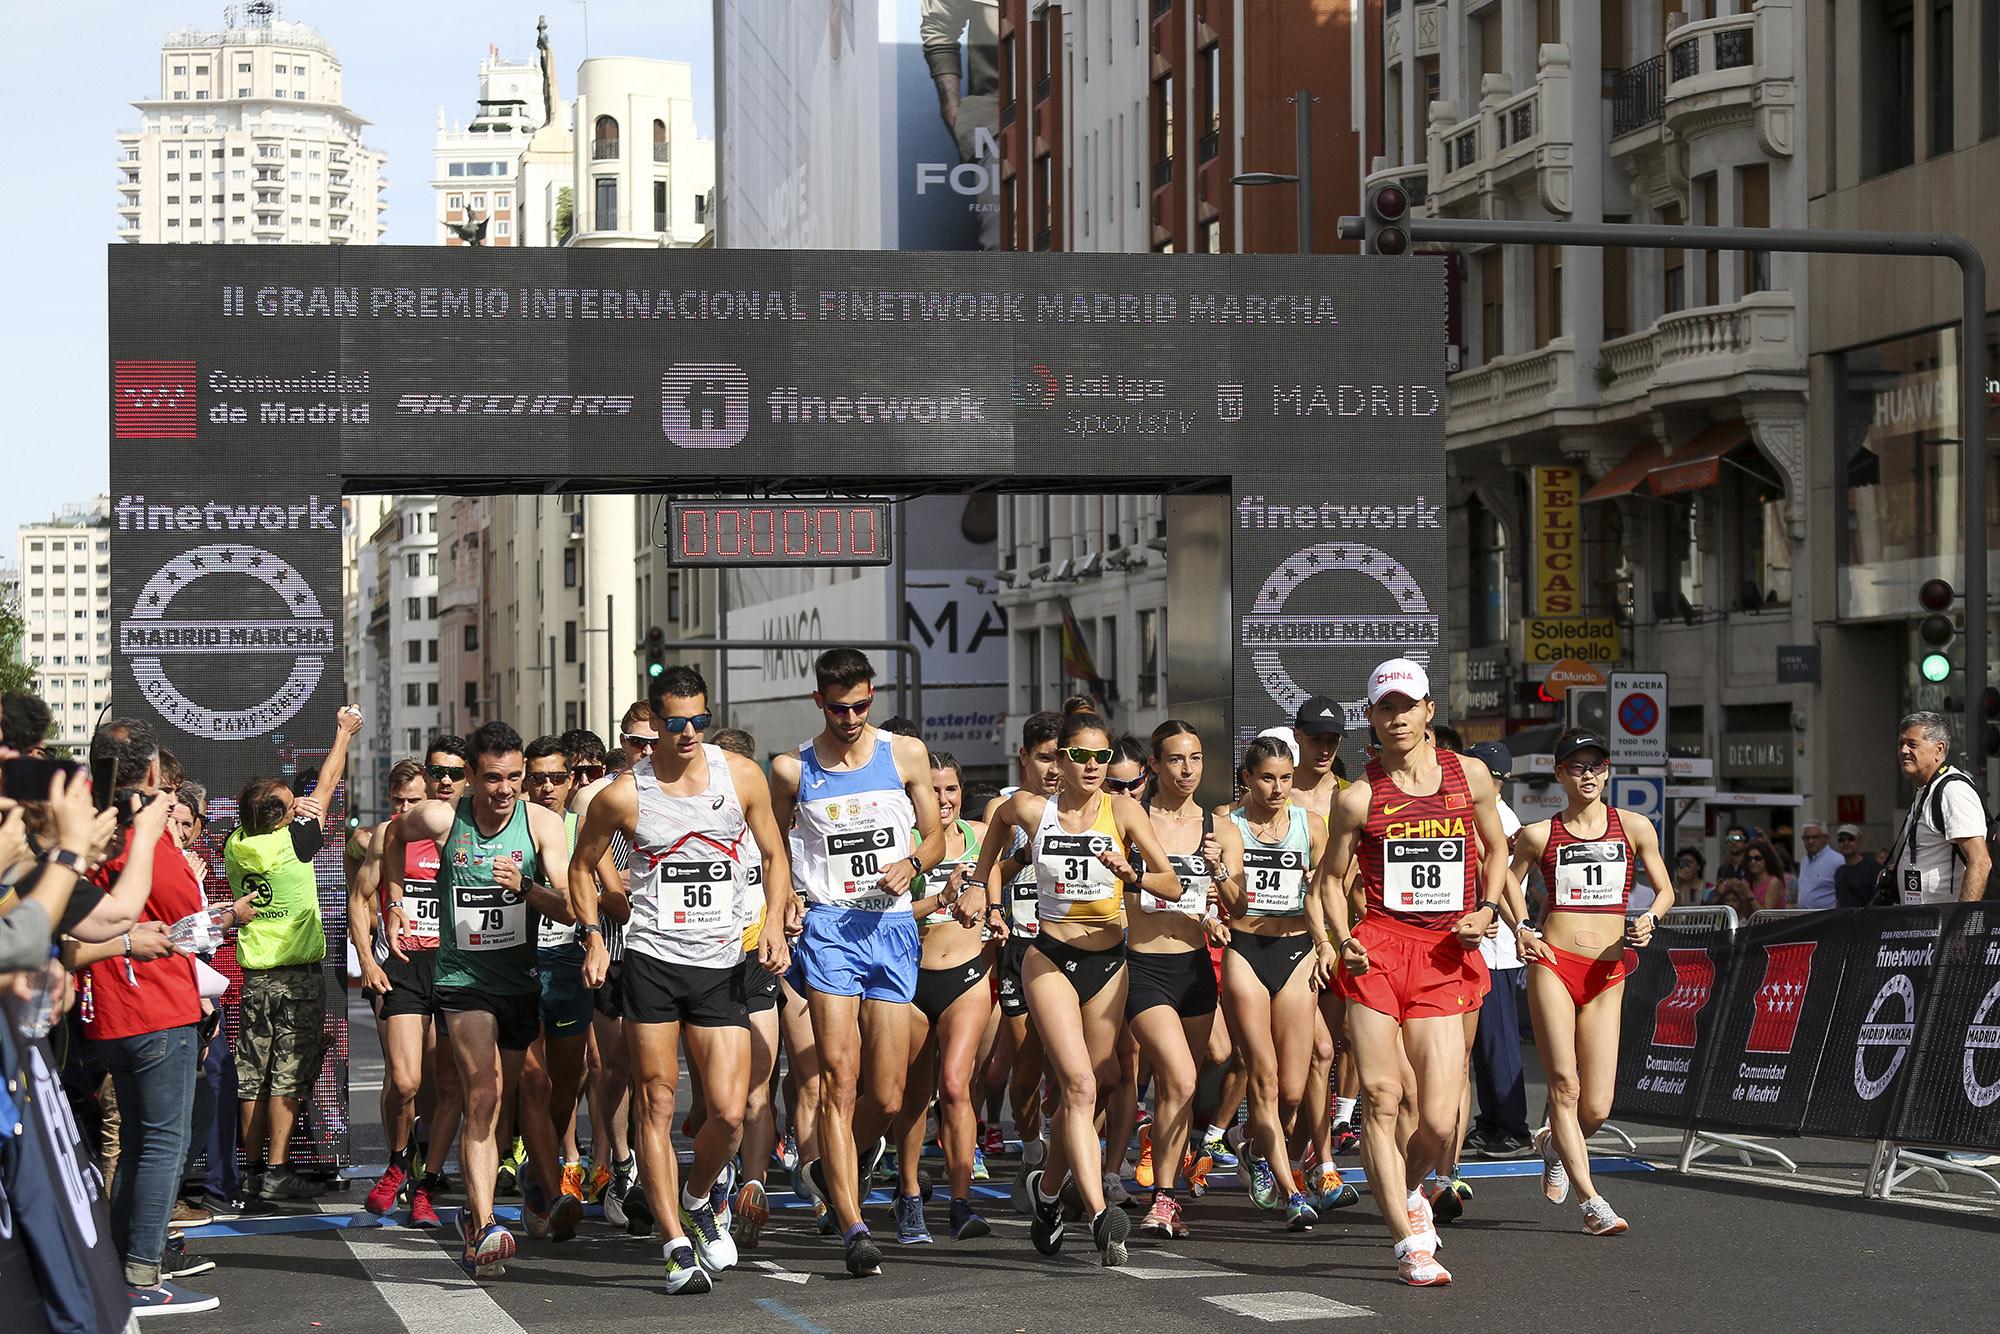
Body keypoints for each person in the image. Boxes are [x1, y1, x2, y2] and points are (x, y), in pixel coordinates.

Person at [572, 666, 794, 1294]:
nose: (691, 732)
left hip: (722, 963)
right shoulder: (625, 795)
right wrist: (593, 934)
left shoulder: (739, 775)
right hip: (651, 964)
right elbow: (580, 867)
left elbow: (774, 856)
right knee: (658, 1100)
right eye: (677, 723)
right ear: (657, 723)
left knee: (725, 1110)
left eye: (700, 719)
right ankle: (673, 1243)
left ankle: (697, 1202)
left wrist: (773, 924)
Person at [1320, 659, 1518, 1287]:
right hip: (1379, 948)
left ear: (1429, 710)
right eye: (1385, 708)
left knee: (1437, 1119)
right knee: (1382, 1097)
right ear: (1371, 718)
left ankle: (1407, 1189)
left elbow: (1496, 851)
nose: (1397, 717)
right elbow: (1327, 880)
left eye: (1408, 705)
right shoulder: (1358, 796)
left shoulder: (1472, 777)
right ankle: (1408, 1243)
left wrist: (1487, 909)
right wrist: (1342, 938)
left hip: (1445, 953)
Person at [975, 710, 1183, 1268]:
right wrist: (979, 888)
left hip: (1108, 961)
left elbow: (1172, 882)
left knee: (1082, 1094)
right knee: (1078, 1085)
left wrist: (1131, 872)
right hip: (1049, 955)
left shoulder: (1124, 811)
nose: (1094, 767)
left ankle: (1047, 1195)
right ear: (1062, 760)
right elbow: (993, 837)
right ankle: (1097, 1213)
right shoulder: (1028, 808)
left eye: (1102, 757)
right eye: (1082, 756)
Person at [380, 721, 582, 1279]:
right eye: (492, 778)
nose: (505, 789)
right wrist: (393, 901)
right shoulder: (445, 819)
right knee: (483, 1093)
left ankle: (529, 1194)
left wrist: (525, 888)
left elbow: (567, 906)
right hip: (463, 980)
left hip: (519, 981)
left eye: (514, 777)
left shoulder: (541, 823)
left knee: (511, 1095)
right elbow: (389, 838)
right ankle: (484, 1222)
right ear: (469, 777)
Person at [772, 650, 945, 1278]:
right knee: (839, 1083)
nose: (851, 718)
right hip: (830, 930)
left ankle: (832, 1164)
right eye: (839, 707)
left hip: (893, 927)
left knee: (890, 1093)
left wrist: (915, 863)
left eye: (862, 706)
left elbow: (936, 835)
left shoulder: (905, 754)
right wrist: (785, 897)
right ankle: (853, 1224)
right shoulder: (794, 768)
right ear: (819, 701)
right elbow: (774, 845)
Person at [76, 720, 221, 1312]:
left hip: (108, 1005)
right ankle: (140, 1275)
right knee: (161, 1144)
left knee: (136, 1143)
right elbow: (181, 905)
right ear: (155, 773)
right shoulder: (143, 826)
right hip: (151, 1004)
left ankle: (121, 1267)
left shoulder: (86, 821)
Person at [1508, 729, 1676, 1235]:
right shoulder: (1540, 834)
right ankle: (1592, 1202)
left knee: (1597, 1105)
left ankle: (1556, 1144)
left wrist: (1651, 918)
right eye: (1577, 767)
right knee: (1564, 1085)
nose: (1588, 775)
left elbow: (1664, 888)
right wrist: (1522, 927)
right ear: (1560, 774)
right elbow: (1503, 879)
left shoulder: (1634, 826)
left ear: (1607, 772)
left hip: (1608, 970)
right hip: (1554, 963)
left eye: (1596, 766)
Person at [225, 708, 361, 1203]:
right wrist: (342, 732)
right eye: (289, 802)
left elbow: (287, 805)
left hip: (255, 976)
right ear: (283, 818)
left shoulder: (237, 844)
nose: (300, 802)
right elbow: (328, 780)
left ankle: (251, 1169)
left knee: (251, 1074)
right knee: (286, 1071)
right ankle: (279, 1171)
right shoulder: (295, 844)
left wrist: (286, 806)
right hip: (296, 977)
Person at [1121, 721, 1235, 1240]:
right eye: (1174, 760)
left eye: (1194, 758)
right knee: (1182, 1077)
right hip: (1143, 965)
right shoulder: (1133, 818)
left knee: (1181, 1085)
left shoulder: (1219, 826)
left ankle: (1166, 1195)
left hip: (1193, 968)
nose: (1186, 770)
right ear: (1154, 765)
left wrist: (1222, 878)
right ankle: (1161, 1195)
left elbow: (1240, 904)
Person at [1221, 736, 1328, 1231]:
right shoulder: (1228, 825)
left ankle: (1249, 1140)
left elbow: (1323, 893)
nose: (1278, 788)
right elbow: (1222, 892)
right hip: (1246, 949)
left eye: (1286, 778)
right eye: (1267, 777)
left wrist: (1326, 942)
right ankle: (1291, 1193)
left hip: (1296, 950)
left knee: (1291, 1088)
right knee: (1262, 1074)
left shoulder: (1311, 825)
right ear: (1248, 777)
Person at [888, 750, 994, 1244]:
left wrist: (993, 914)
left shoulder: (980, 837)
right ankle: (909, 1194)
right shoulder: (903, 843)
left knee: (955, 1085)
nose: (944, 799)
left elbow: (993, 892)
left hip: (968, 976)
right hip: (911, 979)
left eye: (951, 789)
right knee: (911, 1096)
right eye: (933, 790)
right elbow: (888, 915)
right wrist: (939, 899)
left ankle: (960, 1202)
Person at [354, 758, 459, 1227]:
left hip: (453, 967)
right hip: (401, 965)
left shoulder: (456, 835)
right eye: (398, 801)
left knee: (441, 1086)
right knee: (405, 1081)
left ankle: (425, 1182)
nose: (405, 810)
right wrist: (369, 961)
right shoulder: (386, 838)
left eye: (414, 801)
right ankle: (397, 1161)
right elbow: (359, 900)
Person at [705, 726, 784, 1253]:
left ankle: (751, 1183)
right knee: (719, 1098)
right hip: (705, 964)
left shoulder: (766, 826)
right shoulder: (695, 820)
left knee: (759, 1088)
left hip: (755, 962)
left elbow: (785, 874)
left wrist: (783, 917)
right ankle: (715, 1179)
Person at [983, 711, 1060, 1213]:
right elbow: (989, 865)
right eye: (1046, 758)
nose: (1055, 769)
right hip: (1019, 947)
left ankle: (1073, 1159)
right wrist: (994, 907)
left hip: (1069, 949)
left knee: (1086, 1070)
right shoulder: (1007, 808)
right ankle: (1034, 1150)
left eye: (1063, 757)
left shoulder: (1088, 807)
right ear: (1025, 758)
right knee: (1028, 1064)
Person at [1463, 740, 1534, 1162]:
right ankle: (1490, 1122)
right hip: (1482, 945)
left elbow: (1502, 880)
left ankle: (1513, 1127)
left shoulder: (1499, 817)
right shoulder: (1485, 813)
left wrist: (1513, 924)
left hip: (1499, 950)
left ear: (1494, 779)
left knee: (1499, 1041)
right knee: (1485, 1045)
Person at [1887, 711, 1991, 904]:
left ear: (1938, 749)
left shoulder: (1952, 791)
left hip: (1945, 925)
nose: (1903, 750)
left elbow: (1980, 861)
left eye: (1912, 744)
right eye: (1900, 743)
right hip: (1922, 921)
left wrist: (1961, 926)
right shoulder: (1926, 789)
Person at [1792, 820, 1840, 910]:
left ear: (1826, 838)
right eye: (1807, 838)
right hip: (1805, 917)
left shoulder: (1837, 861)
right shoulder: (1804, 861)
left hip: (1826, 918)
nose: (1811, 841)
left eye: (1815, 837)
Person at [1832, 826, 1880, 909]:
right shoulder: (1839, 871)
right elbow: (1839, 901)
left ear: (1860, 842)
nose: (1845, 843)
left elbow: (1879, 900)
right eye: (1841, 840)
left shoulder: (1873, 868)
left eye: (1851, 839)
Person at [1742, 840, 1789, 911]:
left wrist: (1749, 894)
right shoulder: (1751, 882)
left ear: (1766, 860)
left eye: (1758, 858)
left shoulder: (1774, 882)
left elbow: (1766, 914)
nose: (1753, 862)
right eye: (1749, 859)